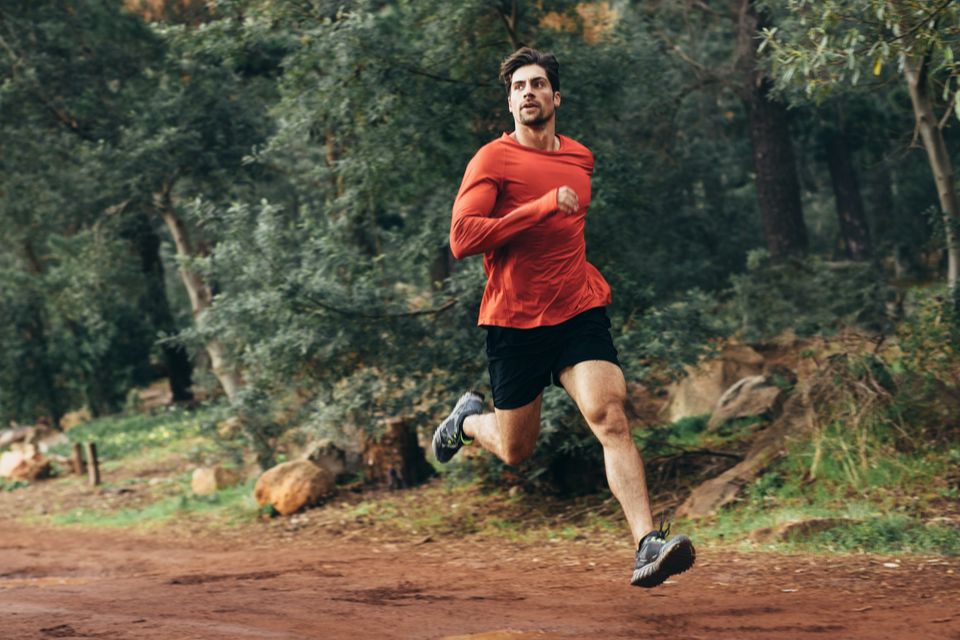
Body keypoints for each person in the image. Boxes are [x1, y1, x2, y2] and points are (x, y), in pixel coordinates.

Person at [431, 47, 695, 588]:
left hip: (577, 310)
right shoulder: (491, 160)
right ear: (509, 101)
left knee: (610, 416)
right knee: (514, 449)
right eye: (519, 86)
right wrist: (540, 206)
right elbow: (462, 238)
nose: (528, 92)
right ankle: (466, 422)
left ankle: (648, 544)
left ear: (556, 96)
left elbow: (567, 234)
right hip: (512, 323)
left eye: (538, 84)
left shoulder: (580, 157)